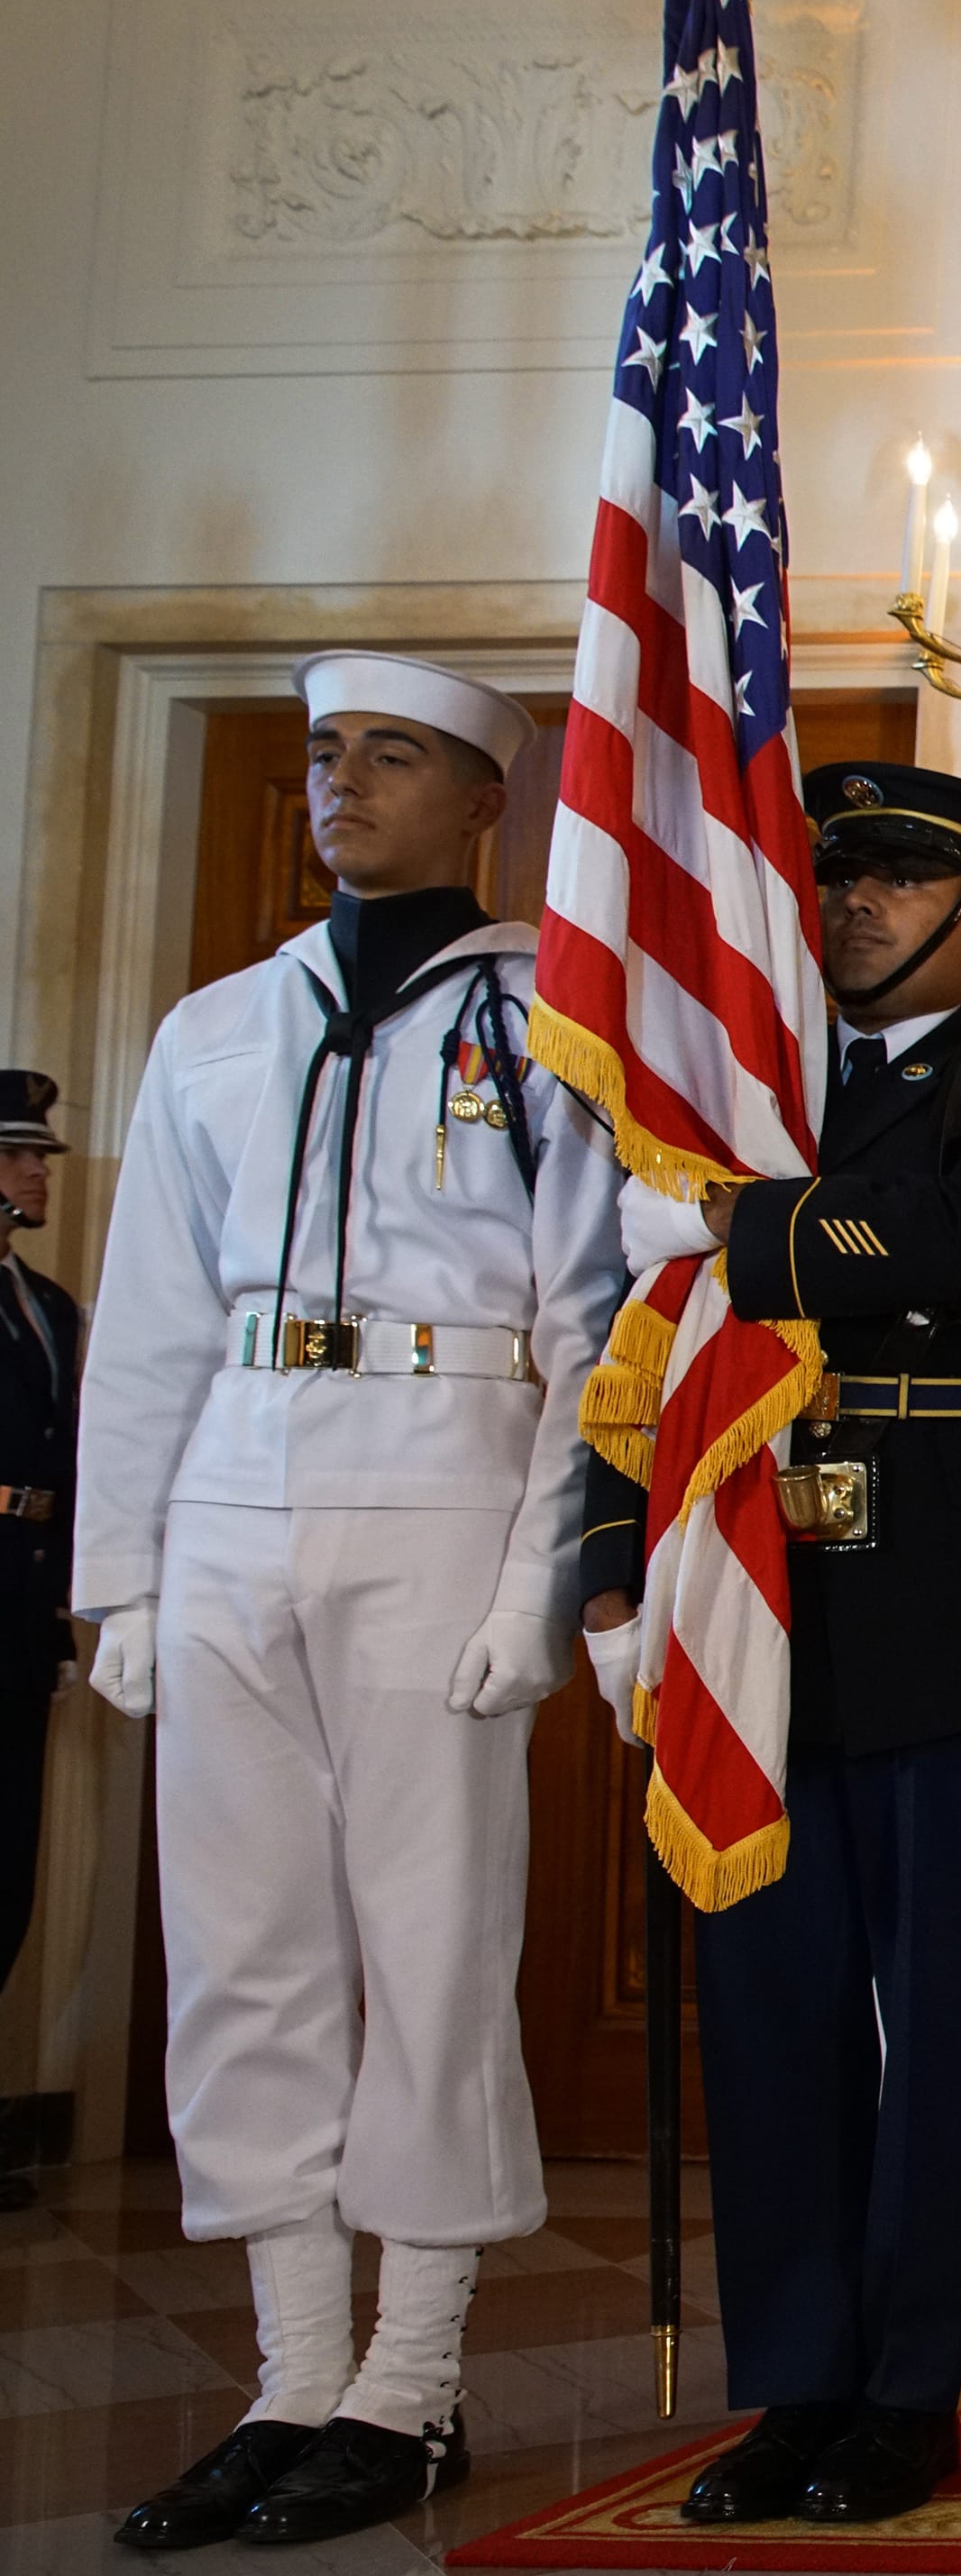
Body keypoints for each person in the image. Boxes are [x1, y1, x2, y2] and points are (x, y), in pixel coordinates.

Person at [73, 653, 621, 2550]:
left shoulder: (556, 1020)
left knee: (432, 1935)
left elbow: (590, 1323)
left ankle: (411, 2378)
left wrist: (546, 1579)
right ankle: (290, 2371)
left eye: (390, 752)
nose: (341, 782)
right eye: (322, 750)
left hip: (441, 1466)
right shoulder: (217, 1025)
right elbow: (146, 1316)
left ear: (483, 795)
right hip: (236, 1465)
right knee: (244, 1947)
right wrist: (123, 1568)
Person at [599, 761, 961, 2530]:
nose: (857, 908)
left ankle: (914, 2386)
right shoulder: (748, 1095)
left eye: (906, 883)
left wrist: (747, 1230)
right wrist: (625, 1566)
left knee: (940, 2017)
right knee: (774, 2009)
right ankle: (797, 2379)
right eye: (841, 880)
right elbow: (664, 1346)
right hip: (770, 1583)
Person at [0, 1070, 84, 2216]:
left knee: (6, 1873)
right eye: (21, 1156)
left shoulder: (51, 1306)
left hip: (20, 1618)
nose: (36, 1173)